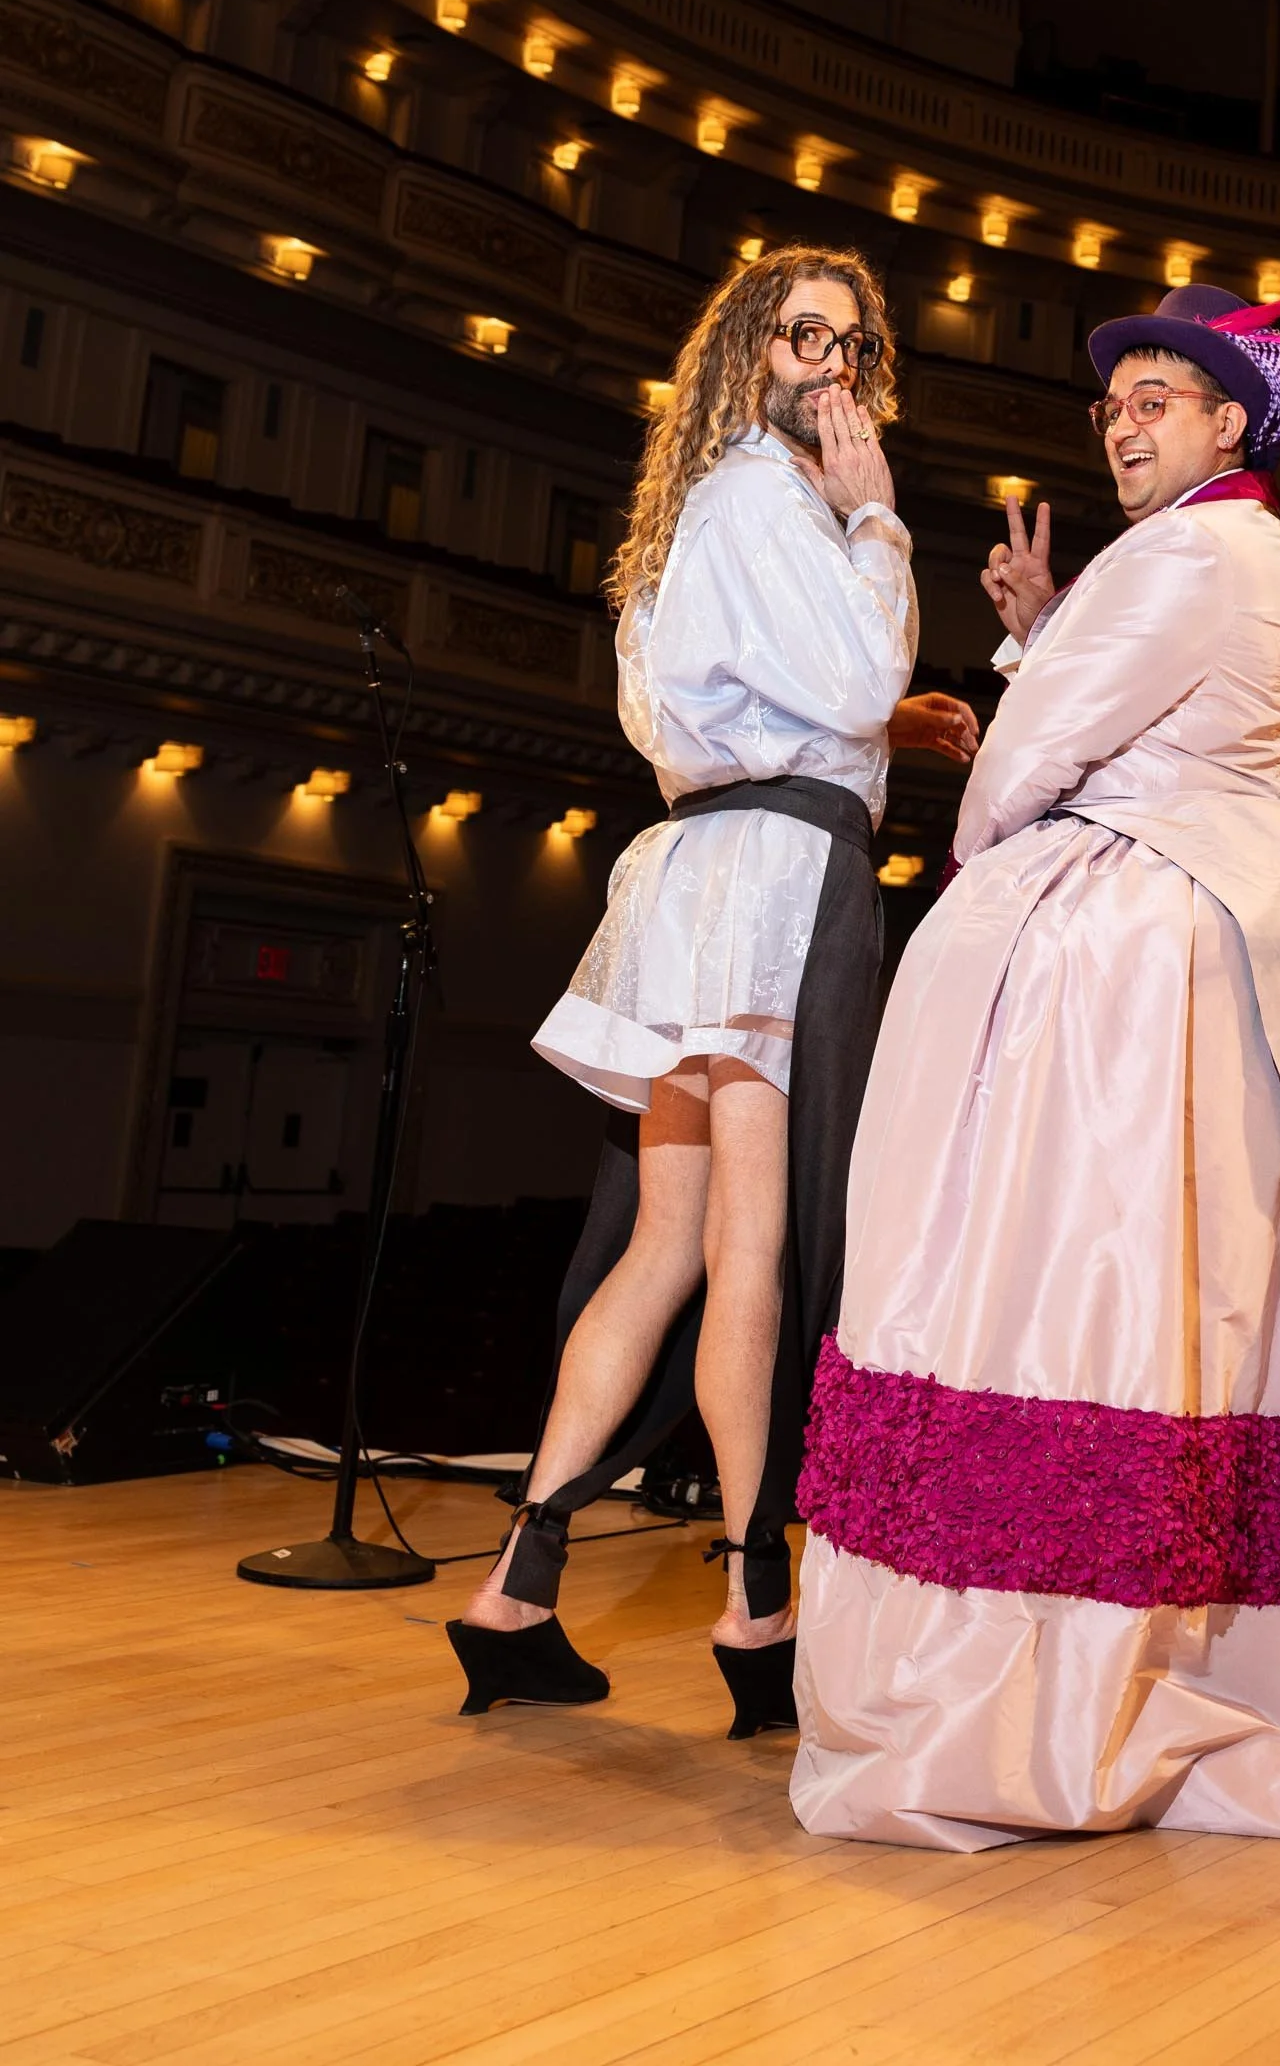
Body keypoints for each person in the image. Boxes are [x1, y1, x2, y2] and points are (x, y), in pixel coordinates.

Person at [789, 275, 1280, 1846]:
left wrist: (982, 863)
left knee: (1088, 1280)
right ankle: (1240, 1655)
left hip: (1153, 946)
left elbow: (1021, 766)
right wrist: (1053, 635)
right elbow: (1130, 699)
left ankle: (1042, 1703)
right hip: (1248, 922)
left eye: (1158, 405)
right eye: (1113, 408)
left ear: (1228, 421)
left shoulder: (1193, 551)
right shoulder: (1232, 553)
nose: (1125, 427)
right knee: (1228, 1308)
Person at [444, 244, 978, 1732]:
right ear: (751, 354)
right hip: (777, 881)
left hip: (693, 869)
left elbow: (784, 699)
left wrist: (886, 728)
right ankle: (758, 1611)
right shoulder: (777, 500)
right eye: (808, 337)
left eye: (857, 346)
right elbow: (865, 657)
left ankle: (517, 1589)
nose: (836, 367)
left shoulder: (701, 512)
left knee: (662, 1245)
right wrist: (878, 520)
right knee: (756, 1246)